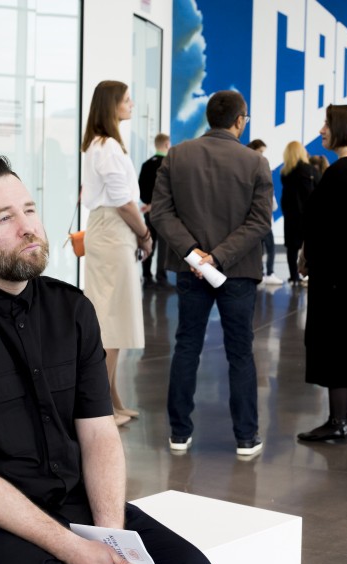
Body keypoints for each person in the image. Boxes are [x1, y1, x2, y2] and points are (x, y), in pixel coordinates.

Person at [0, 156, 216, 564]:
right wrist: (74, 550)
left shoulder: (72, 310)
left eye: (29, 209)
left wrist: (109, 538)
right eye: (4, 218)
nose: (28, 227)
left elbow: (99, 433)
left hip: (65, 502)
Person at [150, 90, 273, 456]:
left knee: (187, 346)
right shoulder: (255, 162)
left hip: (191, 270)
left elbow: (161, 213)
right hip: (238, 269)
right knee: (240, 352)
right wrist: (218, 258)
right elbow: (259, 222)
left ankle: (179, 433)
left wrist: (195, 255)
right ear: (239, 120)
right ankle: (246, 437)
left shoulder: (177, 155)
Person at [297, 104, 347, 442]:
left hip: (336, 279)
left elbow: (321, 225)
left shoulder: (341, 172)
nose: (322, 130)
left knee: (337, 348)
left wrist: (307, 256)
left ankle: (336, 421)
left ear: (341, 128)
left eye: (327, 124)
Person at [81, 80, 151, 427]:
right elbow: (123, 202)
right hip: (113, 229)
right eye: (126, 99)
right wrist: (144, 234)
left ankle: (112, 399)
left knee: (114, 321)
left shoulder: (103, 144)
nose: (131, 104)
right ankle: (102, 407)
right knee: (109, 323)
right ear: (112, 105)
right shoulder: (106, 145)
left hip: (111, 228)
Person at [280, 141, 320, 285]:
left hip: (291, 216)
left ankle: (294, 276)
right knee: (311, 245)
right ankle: (309, 274)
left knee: (291, 248)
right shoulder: (310, 171)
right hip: (308, 215)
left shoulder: (285, 173)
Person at [139, 132, 172, 288]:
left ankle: (147, 277)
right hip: (165, 212)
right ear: (167, 144)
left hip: (149, 213)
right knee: (164, 248)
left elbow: (141, 189)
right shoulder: (169, 164)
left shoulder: (146, 164)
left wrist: (149, 204)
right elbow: (170, 190)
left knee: (148, 243)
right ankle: (161, 278)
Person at [248, 139, 283, 286]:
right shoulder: (256, 169)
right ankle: (268, 273)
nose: (262, 155)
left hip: (257, 218)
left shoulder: (250, 168)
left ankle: (262, 272)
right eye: (261, 151)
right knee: (268, 247)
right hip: (261, 218)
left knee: (260, 248)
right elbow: (270, 202)